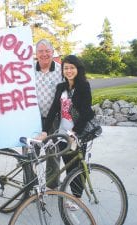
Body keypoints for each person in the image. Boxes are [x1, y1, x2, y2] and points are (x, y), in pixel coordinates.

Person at [37, 54, 95, 197]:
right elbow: (53, 110)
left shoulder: (83, 86)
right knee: (69, 165)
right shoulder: (61, 87)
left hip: (77, 134)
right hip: (63, 133)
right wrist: (45, 131)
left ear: (78, 69)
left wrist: (74, 132)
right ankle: (73, 193)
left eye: (72, 68)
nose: (69, 71)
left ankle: (77, 197)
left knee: (78, 167)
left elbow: (86, 113)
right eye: (66, 68)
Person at [32, 39, 63, 188]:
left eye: (47, 51)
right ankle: (30, 185)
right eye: (40, 51)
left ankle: (53, 186)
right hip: (32, 119)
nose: (44, 54)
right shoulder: (28, 70)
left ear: (52, 52)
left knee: (53, 153)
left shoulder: (61, 70)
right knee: (31, 153)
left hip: (54, 120)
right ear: (36, 54)